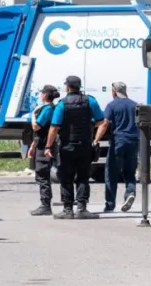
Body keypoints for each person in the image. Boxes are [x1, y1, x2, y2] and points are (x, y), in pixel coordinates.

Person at [43, 76, 105, 220]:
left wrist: (48, 146)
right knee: (83, 177)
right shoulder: (90, 100)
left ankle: (67, 210)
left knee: (66, 178)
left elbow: (54, 127)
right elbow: (101, 121)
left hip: (67, 146)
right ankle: (82, 209)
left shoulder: (62, 104)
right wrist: (89, 126)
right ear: (79, 87)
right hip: (85, 146)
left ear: (67, 87)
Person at [94, 81, 140, 213]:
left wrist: (96, 139)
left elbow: (104, 124)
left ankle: (110, 204)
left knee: (111, 173)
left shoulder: (112, 105)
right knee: (129, 172)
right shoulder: (135, 105)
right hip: (133, 141)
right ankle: (130, 193)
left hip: (118, 141)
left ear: (114, 91)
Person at [27, 84, 60, 216]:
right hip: (41, 144)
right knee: (41, 175)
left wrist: (33, 114)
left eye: (42, 93)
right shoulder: (50, 108)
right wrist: (33, 146)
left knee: (43, 175)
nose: (40, 95)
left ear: (45, 95)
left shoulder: (47, 109)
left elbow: (36, 127)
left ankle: (45, 205)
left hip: (45, 146)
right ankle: (45, 204)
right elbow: (40, 134)